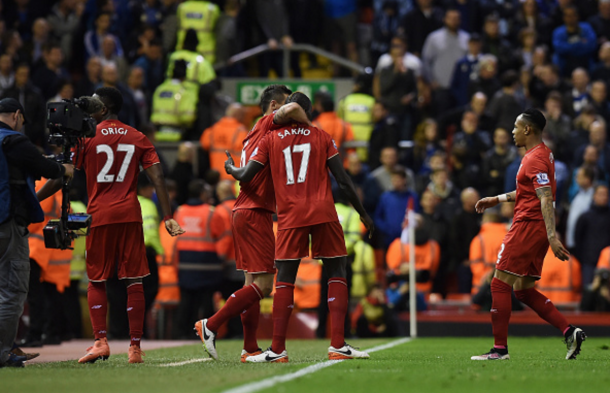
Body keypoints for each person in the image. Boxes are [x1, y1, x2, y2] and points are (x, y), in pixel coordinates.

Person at [37, 88, 185, 364]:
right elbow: (159, 179)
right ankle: (135, 348)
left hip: (100, 215)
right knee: (134, 279)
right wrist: (168, 216)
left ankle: (100, 342)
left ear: (103, 109)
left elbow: (63, 176)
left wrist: (35, 199)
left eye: (93, 103)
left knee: (97, 279)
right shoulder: (138, 137)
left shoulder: (86, 138)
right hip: (129, 213)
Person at [224, 92, 374, 362]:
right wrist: (363, 213)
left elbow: (246, 175)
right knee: (337, 270)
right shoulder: (322, 137)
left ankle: (278, 349)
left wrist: (230, 168)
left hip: (290, 216)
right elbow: (343, 180)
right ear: (308, 111)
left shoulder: (269, 139)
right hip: (323, 211)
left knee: (284, 280)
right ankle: (337, 344)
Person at [471, 108, 586, 361]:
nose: (512, 132)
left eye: (515, 127)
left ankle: (499, 350)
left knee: (499, 283)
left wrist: (552, 235)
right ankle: (569, 331)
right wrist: (496, 199)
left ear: (527, 130)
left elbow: (546, 198)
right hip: (536, 229)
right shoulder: (543, 154)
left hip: (527, 226)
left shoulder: (533, 159)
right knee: (522, 289)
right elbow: (529, 191)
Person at [193, 84, 294, 362]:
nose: (292, 111)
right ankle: (210, 325)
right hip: (255, 212)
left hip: (245, 210)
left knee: (251, 283)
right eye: (286, 105)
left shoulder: (252, 134)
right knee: (263, 286)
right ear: (274, 107)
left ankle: (249, 347)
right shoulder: (268, 125)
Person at [0, 98, 73, 368]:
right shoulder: (14, 142)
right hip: (8, 225)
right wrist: (63, 168)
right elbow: (47, 169)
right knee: (13, 291)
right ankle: (4, 351)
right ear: (17, 115)